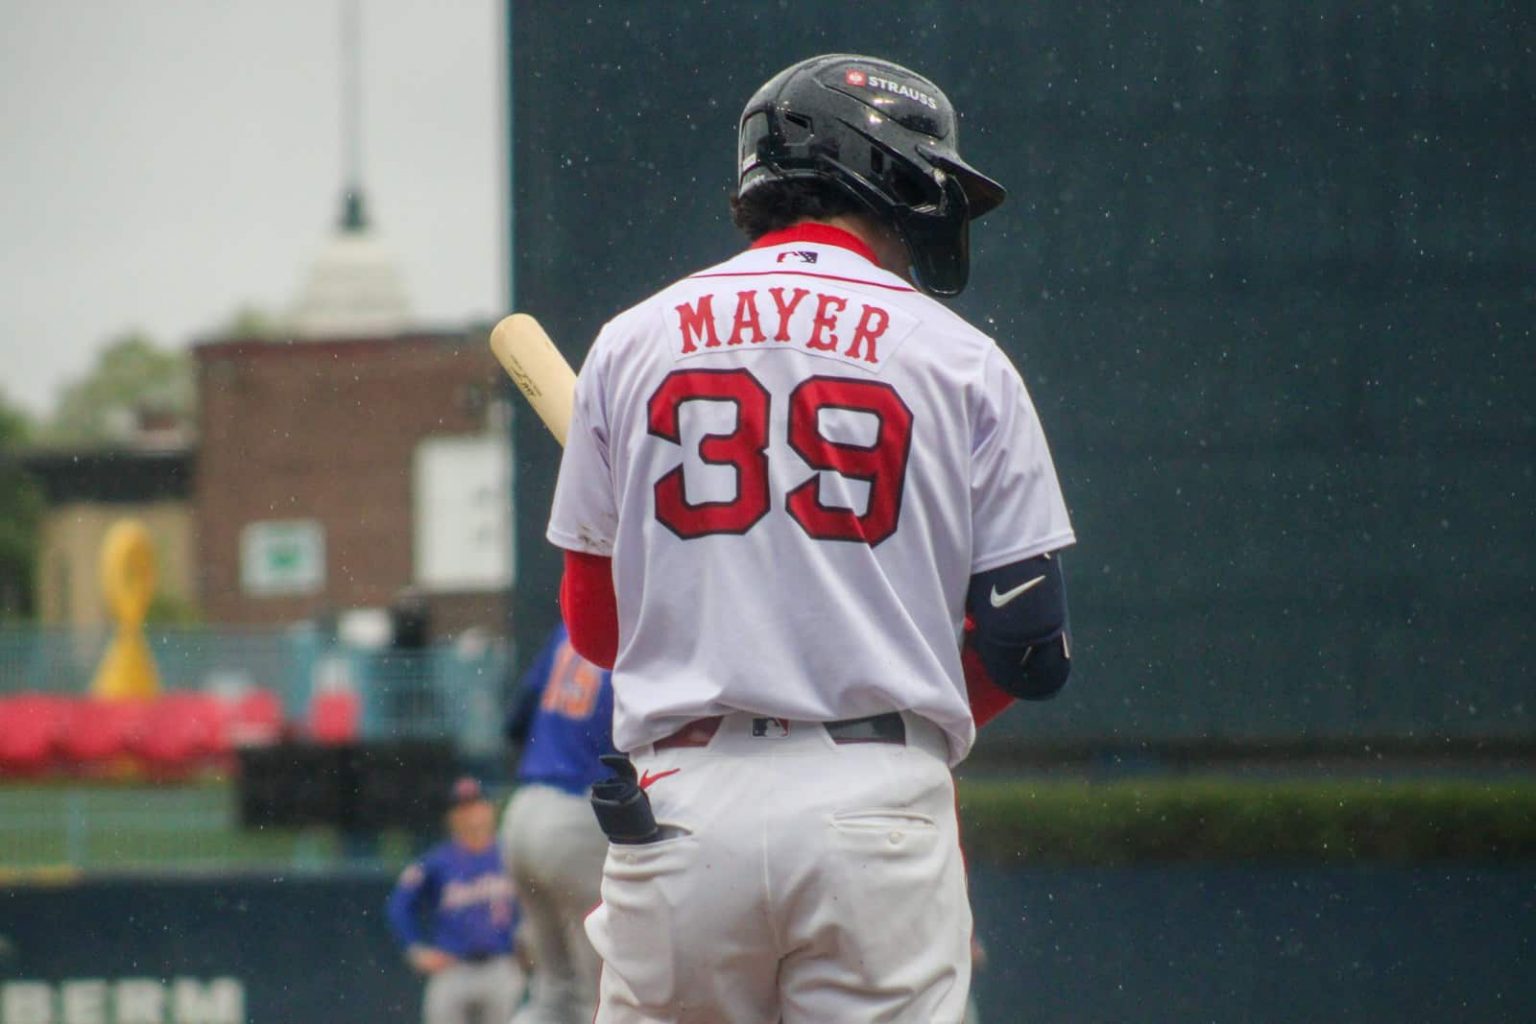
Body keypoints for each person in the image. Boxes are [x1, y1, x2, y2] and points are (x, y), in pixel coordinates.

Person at [549, 53, 1075, 1023]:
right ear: (885, 172)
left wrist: (722, 628)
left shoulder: (630, 341)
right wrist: (896, 710)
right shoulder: (964, 359)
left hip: (680, 805)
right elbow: (1028, 646)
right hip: (874, 800)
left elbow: (594, 626)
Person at [499, 622, 615, 1024]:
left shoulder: (571, 628)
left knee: (553, 994)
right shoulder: (643, 628)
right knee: (605, 998)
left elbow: (515, 722)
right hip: (578, 819)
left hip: (524, 811)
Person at [387, 777, 524, 1024]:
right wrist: (416, 949)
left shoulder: (512, 854)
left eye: (476, 805)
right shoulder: (437, 861)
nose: (471, 814)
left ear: (490, 809)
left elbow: (539, 901)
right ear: (451, 817)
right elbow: (399, 906)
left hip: (502, 965)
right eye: (462, 808)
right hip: (453, 967)